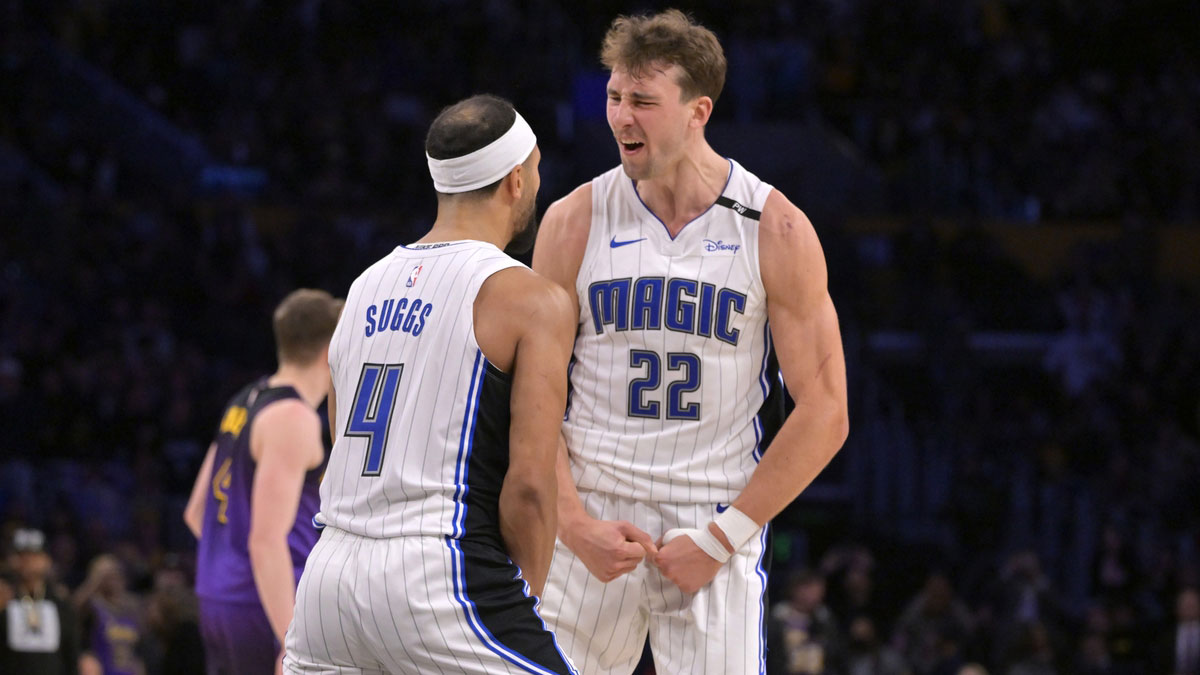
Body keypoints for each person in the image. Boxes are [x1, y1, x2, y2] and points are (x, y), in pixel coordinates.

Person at [531, 9, 849, 674]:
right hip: (589, 520)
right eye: (615, 97)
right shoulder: (571, 221)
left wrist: (723, 535)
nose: (622, 117)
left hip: (711, 519)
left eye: (643, 101)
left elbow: (825, 412)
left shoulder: (776, 229)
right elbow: (533, 398)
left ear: (698, 110)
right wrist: (570, 522)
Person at [283, 94, 577, 675]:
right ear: (516, 180)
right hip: (436, 573)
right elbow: (531, 485)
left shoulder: (363, 286)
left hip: (329, 579)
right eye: (537, 169)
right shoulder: (529, 298)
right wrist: (522, 597)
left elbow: (344, 443)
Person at [184, 288, 342, 675]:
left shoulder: (244, 399)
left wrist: (228, 570)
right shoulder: (293, 417)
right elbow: (265, 540)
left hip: (217, 597)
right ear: (330, 350)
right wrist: (291, 639)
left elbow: (196, 512)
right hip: (263, 604)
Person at [0, 527, 81, 675]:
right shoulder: (4, 601)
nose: (28, 561)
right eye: (22, 555)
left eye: (34, 555)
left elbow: (71, 655)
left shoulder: (61, 606)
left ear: (46, 560)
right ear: (12, 560)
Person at [72, 554, 144, 675]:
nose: (114, 579)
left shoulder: (131, 608)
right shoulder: (93, 607)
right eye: (108, 576)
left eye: (117, 574)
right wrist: (95, 579)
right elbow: (71, 610)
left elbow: (138, 652)